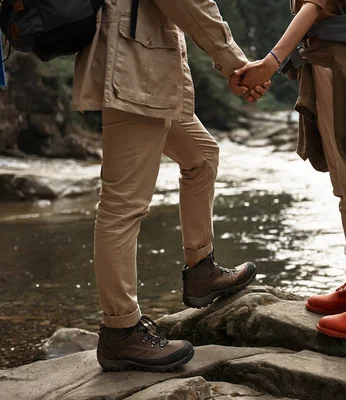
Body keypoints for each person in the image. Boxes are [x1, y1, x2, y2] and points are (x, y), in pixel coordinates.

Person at [72, 0, 270, 372]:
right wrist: (238, 65)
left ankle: (201, 272)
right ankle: (120, 330)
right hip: (133, 69)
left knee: (202, 157)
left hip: (150, 70)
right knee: (122, 205)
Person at [236, 0, 346, 339]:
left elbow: (312, 8)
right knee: (345, 188)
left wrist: (269, 63)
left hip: (343, 73)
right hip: (327, 69)